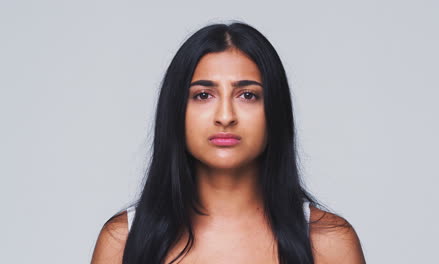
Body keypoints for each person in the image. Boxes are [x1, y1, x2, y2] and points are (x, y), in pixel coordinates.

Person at [91, 21, 366, 264]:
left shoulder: (329, 243)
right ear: (175, 110)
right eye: (203, 95)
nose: (225, 116)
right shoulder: (123, 242)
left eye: (247, 95)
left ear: (275, 111)